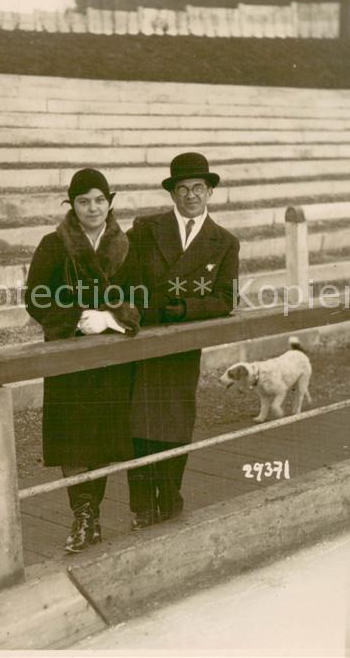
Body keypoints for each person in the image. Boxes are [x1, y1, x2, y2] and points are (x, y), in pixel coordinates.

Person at [25, 168, 140, 553]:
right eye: (83, 201)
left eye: (99, 200)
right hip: (68, 356)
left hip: (109, 357)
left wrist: (112, 317)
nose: (92, 208)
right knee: (73, 437)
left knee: (103, 437)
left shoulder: (126, 245)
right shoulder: (53, 244)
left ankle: (94, 514)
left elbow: (143, 295)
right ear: (71, 205)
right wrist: (76, 317)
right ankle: (83, 515)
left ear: (110, 201)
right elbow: (36, 299)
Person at [126, 152, 240, 530]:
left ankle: (170, 496)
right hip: (143, 337)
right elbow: (124, 277)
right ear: (172, 194)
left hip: (182, 340)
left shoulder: (223, 242)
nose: (190, 196)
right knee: (139, 420)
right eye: (182, 189)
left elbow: (226, 298)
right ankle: (142, 505)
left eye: (197, 188)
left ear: (210, 192)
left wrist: (184, 309)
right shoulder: (145, 230)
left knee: (175, 419)